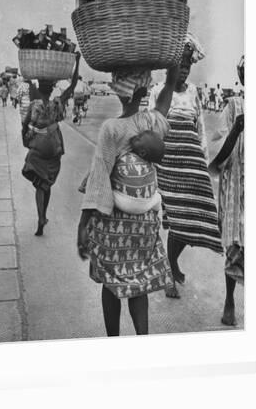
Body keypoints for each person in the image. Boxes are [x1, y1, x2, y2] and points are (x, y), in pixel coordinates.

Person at [77, 65, 180, 337]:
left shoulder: (112, 128)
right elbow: (165, 100)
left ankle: (114, 341)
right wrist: (173, 72)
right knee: (140, 283)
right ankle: (141, 340)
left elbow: (99, 176)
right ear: (145, 90)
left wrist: (83, 224)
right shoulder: (150, 122)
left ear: (118, 91)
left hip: (114, 224)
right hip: (145, 224)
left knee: (111, 285)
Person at [149, 36, 222, 299]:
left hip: (190, 166)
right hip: (167, 166)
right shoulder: (158, 91)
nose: (184, 71)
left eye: (187, 67)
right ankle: (169, 275)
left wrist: (202, 159)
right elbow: (152, 127)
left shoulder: (193, 92)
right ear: (170, 67)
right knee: (175, 219)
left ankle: (172, 264)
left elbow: (200, 128)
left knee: (190, 220)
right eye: (180, 66)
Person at [22, 53, 81, 236]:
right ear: (53, 87)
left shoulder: (34, 103)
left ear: (40, 87)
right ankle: (43, 216)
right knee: (46, 183)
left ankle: (41, 216)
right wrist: (76, 62)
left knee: (39, 184)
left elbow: (25, 124)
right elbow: (72, 85)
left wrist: (25, 138)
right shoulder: (57, 103)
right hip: (54, 146)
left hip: (38, 147)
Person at [210, 56, 244, 326]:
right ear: (241, 75)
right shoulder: (232, 107)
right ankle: (229, 300)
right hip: (237, 188)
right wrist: (236, 129)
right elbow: (217, 157)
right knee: (234, 245)